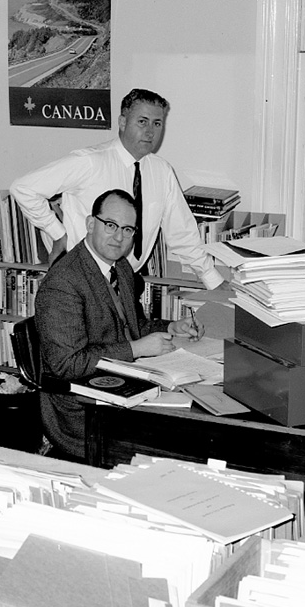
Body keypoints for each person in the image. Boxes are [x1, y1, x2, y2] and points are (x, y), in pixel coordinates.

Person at [34, 188, 202, 460]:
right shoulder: (63, 284)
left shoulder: (120, 267)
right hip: (84, 409)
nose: (119, 236)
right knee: (177, 439)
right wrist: (135, 349)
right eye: (110, 225)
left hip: (126, 384)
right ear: (90, 224)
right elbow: (66, 364)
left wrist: (170, 328)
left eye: (127, 229)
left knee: (191, 421)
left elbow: (133, 326)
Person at [10, 88, 225, 289]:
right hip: (83, 279)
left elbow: (182, 233)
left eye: (157, 123)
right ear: (122, 122)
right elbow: (23, 188)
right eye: (142, 122)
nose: (150, 132)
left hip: (125, 281)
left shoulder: (162, 171)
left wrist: (211, 279)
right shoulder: (90, 161)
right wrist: (57, 234)